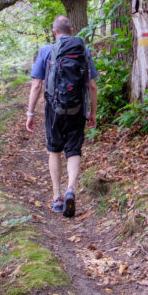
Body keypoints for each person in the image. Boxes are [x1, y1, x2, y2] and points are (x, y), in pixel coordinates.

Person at [25, 15, 99, 218]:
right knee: (74, 149)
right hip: (77, 108)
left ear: (54, 32)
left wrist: (30, 113)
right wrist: (92, 112)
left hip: (53, 110)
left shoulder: (46, 51)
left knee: (54, 150)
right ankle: (71, 189)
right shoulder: (82, 50)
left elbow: (37, 85)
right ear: (72, 30)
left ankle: (57, 197)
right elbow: (91, 85)